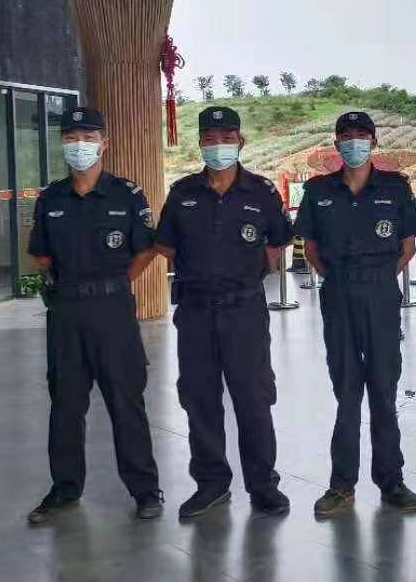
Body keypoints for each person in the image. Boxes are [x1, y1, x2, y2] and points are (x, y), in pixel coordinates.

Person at [24, 106, 163, 523]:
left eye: (88, 137)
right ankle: (65, 488)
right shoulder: (51, 198)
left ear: (105, 144)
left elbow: (145, 250)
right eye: (71, 138)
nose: (79, 145)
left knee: (126, 401)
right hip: (65, 312)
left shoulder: (126, 194)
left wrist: (114, 284)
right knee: (65, 405)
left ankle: (145, 490)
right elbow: (41, 255)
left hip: (112, 312)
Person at [152, 106, 292, 520]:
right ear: (200, 144)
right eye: (210, 139)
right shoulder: (182, 193)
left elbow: (277, 244)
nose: (218, 146)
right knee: (200, 399)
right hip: (195, 311)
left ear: (240, 142)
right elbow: (166, 246)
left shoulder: (261, 192)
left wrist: (243, 274)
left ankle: (263, 486)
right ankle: (211, 485)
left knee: (253, 398)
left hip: (244, 311)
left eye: (226, 139)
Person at [295, 111, 416, 516]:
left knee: (384, 390)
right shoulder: (318, 190)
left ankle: (392, 481)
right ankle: (341, 485)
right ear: (337, 144)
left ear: (374, 142)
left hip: (381, 295)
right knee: (347, 392)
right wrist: (341, 280)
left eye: (361, 135)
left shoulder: (396, 187)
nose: (354, 142)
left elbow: (408, 247)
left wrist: (378, 279)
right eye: (347, 136)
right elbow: (310, 249)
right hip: (339, 293)